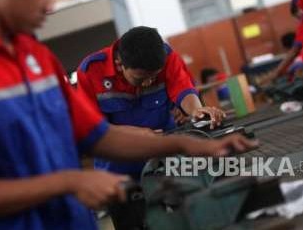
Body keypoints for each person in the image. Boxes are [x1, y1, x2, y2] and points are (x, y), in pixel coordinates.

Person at [0, 0, 258, 229]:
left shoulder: (37, 60)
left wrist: (185, 142)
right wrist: (70, 181)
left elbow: (96, 135)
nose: (51, 5)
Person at [76, 26, 228, 180]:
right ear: (119, 63)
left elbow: (183, 88)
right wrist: (139, 135)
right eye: (140, 78)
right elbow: (93, 128)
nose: (148, 82)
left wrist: (197, 111)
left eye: (154, 76)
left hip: (168, 161)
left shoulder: (166, 56)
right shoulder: (90, 71)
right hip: (119, 170)